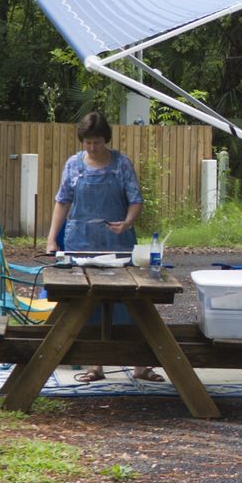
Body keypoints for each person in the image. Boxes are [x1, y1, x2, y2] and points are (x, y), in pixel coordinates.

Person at [45, 113, 160, 382]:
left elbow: (135, 200)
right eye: (88, 143)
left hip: (117, 244)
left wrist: (128, 222)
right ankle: (94, 365)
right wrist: (52, 239)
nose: (92, 147)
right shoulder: (73, 165)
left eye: (97, 142)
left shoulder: (121, 164)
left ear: (106, 139)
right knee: (86, 304)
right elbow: (62, 201)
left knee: (130, 302)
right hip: (80, 243)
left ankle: (140, 365)